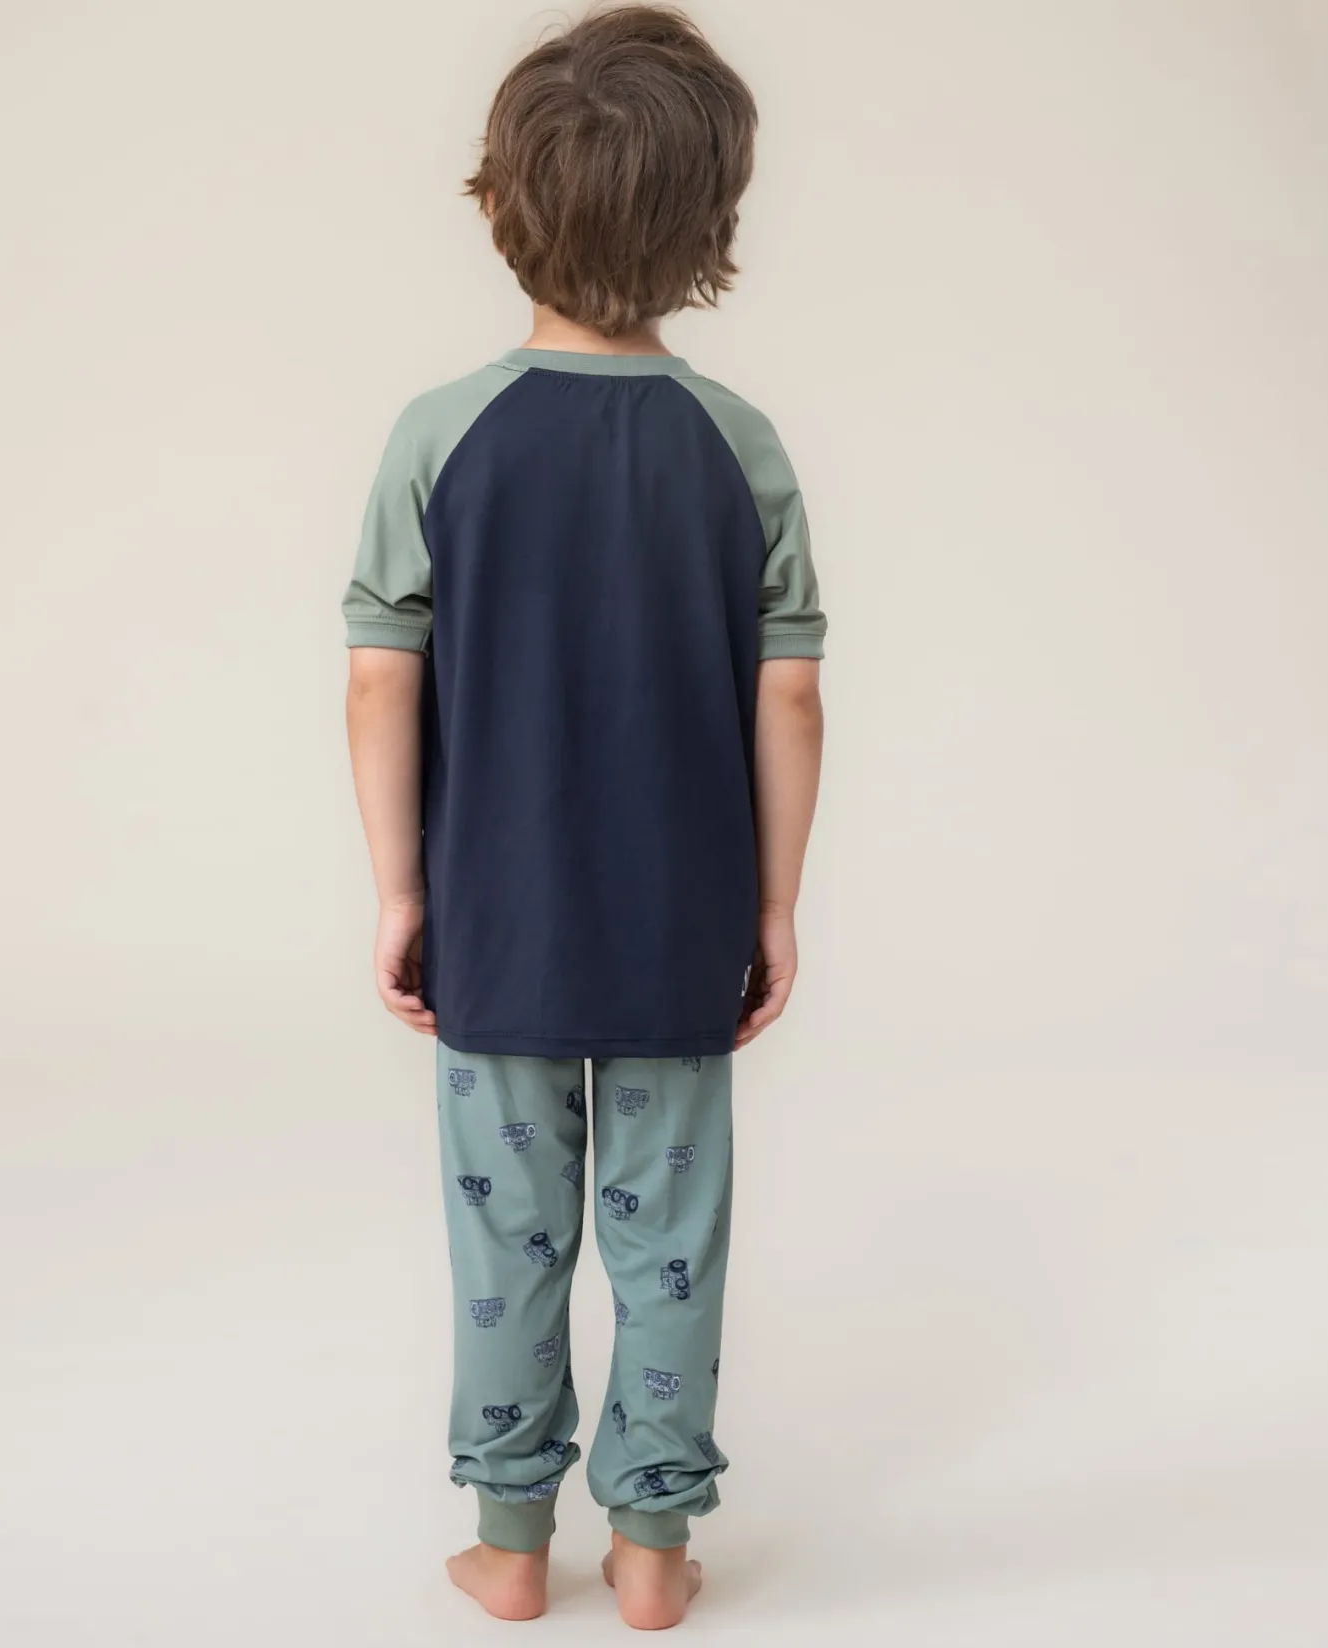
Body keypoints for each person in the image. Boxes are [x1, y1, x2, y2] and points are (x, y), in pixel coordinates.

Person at [342, 4, 824, 1628]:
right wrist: (773, 907)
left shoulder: (440, 433)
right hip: (683, 930)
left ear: (500, 202)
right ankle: (656, 1550)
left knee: (511, 1246)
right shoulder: (739, 444)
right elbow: (791, 701)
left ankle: (507, 1546)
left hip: (499, 925)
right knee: (671, 1241)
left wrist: (401, 892)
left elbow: (379, 682)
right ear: (712, 224)